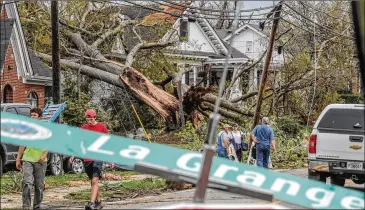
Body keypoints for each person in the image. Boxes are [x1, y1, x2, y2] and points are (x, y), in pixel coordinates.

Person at [70, 109, 114, 210]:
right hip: (87, 159)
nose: (89, 120)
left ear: (95, 117)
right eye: (87, 118)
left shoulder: (102, 127)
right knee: (93, 182)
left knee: (95, 180)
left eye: (90, 118)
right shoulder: (83, 128)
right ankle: (99, 202)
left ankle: (91, 203)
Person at [16, 108, 48, 210]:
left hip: (40, 161)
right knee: (27, 182)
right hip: (27, 159)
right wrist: (18, 159)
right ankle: (26, 206)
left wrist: (43, 156)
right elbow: (22, 144)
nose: (32, 117)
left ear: (40, 117)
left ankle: (37, 206)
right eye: (31, 115)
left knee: (39, 186)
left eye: (34, 115)